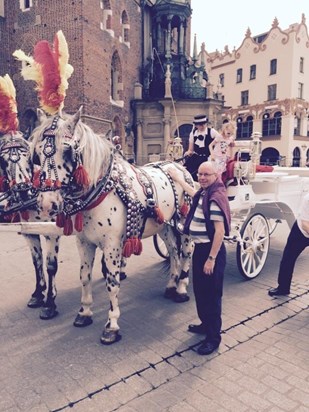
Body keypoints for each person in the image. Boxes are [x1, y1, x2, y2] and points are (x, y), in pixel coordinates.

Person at [168, 161, 231, 355]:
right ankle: (205, 324)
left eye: (207, 175)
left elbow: (219, 232)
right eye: (200, 174)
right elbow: (192, 191)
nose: (202, 178)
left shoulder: (215, 198)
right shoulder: (205, 192)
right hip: (201, 250)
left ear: (215, 176)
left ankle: (213, 338)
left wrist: (211, 258)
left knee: (212, 296)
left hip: (211, 251)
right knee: (201, 291)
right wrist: (178, 178)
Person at [268, 192, 309, 297]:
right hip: (301, 231)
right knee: (288, 258)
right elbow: (305, 224)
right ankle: (283, 288)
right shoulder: (307, 199)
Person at [184, 114, 214, 181]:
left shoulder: (211, 132)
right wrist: (187, 153)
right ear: (196, 125)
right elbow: (190, 150)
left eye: (204, 124)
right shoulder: (193, 134)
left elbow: (220, 140)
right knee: (189, 172)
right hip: (197, 158)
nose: (202, 126)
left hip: (208, 158)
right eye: (200, 124)